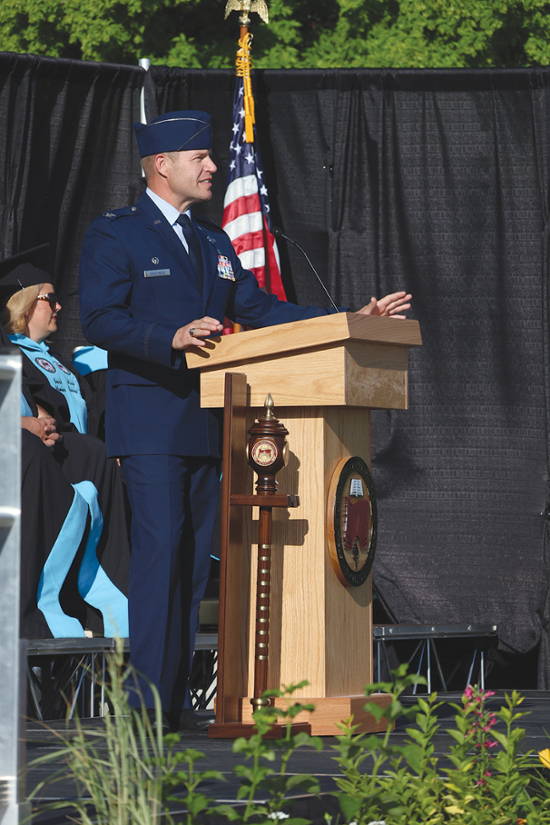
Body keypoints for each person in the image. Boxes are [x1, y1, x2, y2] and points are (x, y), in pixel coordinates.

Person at [79, 109, 412, 732]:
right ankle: (145, 710)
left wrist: (348, 319)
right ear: (161, 166)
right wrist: (169, 335)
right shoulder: (116, 234)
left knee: (190, 565)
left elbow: (261, 309)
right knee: (160, 558)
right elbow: (99, 320)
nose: (212, 167)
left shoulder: (212, 240)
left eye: (210, 156)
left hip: (211, 421)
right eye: (199, 158)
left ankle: (173, 706)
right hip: (151, 423)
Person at [0, 252, 130, 639]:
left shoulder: (61, 364)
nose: (58, 307)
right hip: (44, 465)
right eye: (49, 298)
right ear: (25, 303)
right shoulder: (12, 353)